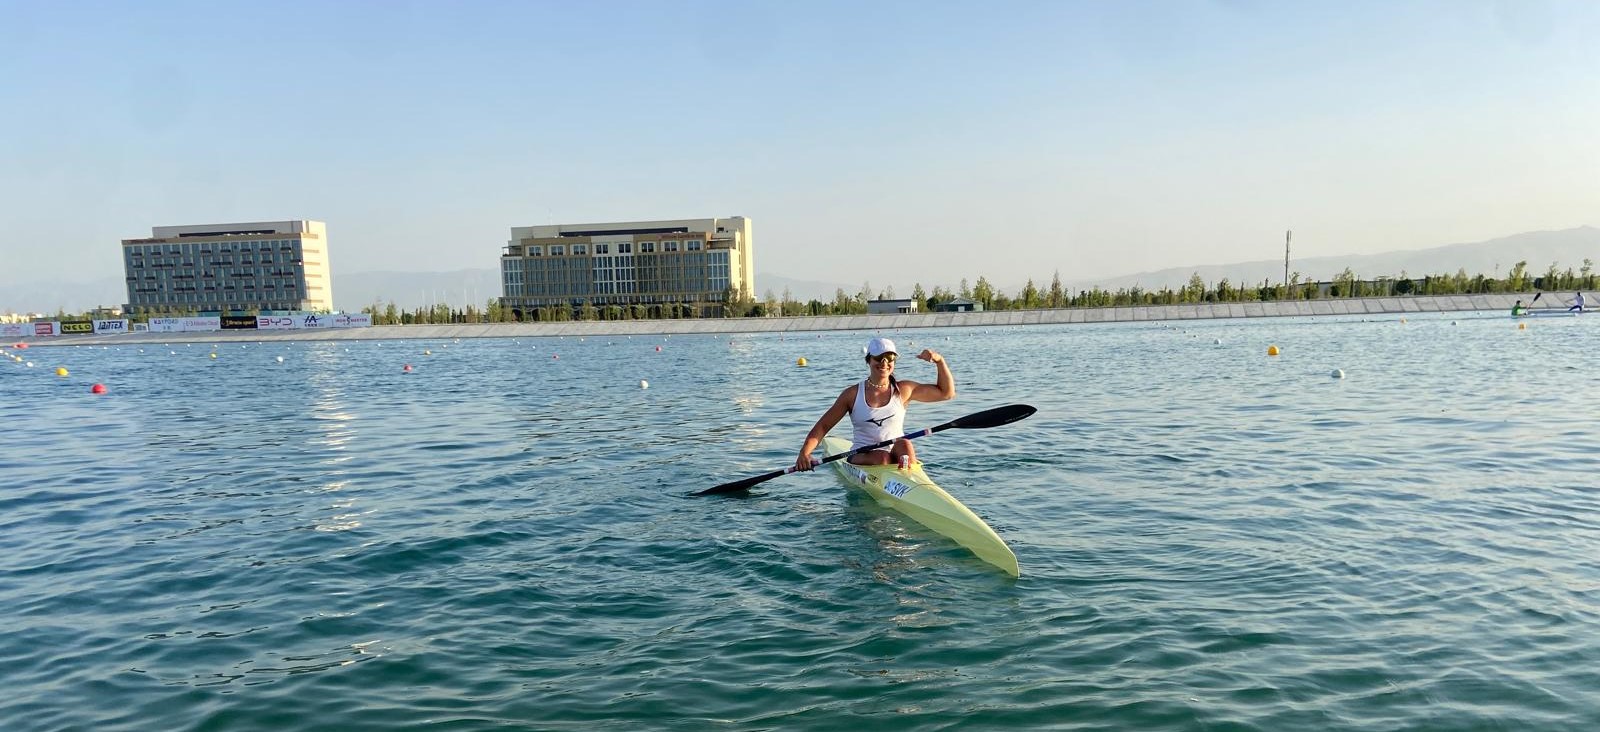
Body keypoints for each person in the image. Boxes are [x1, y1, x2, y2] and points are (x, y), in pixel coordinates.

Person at [794, 337, 954, 471]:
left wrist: (939, 361)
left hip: (896, 452)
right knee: (882, 457)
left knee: (905, 445)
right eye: (879, 358)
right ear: (869, 360)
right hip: (863, 455)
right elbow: (823, 426)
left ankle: (908, 477)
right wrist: (805, 453)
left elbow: (946, 393)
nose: (884, 363)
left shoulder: (904, 390)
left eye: (890, 358)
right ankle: (897, 472)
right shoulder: (852, 394)